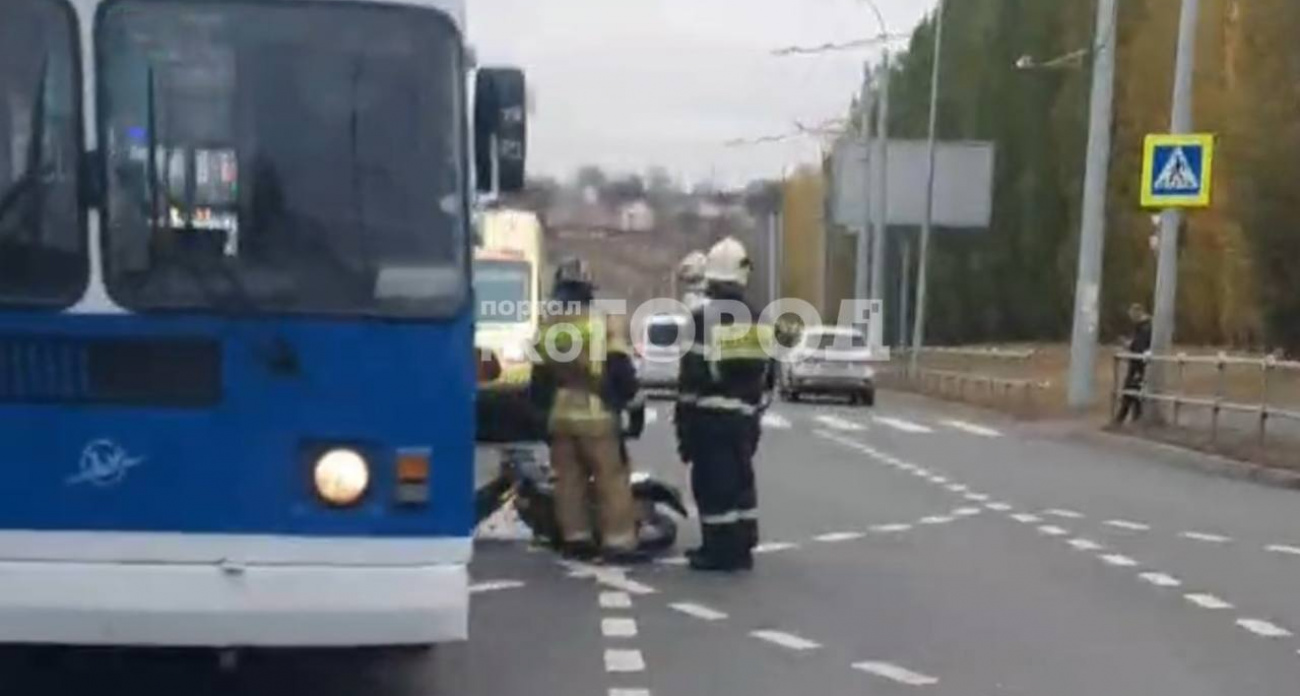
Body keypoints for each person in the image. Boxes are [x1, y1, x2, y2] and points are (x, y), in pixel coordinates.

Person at [529, 257, 644, 563]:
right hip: (597, 414)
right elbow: (620, 370)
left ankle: (576, 539)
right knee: (611, 479)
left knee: (568, 480)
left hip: (560, 415)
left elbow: (539, 380)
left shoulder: (548, 325)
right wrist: (631, 402)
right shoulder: (603, 322)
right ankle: (617, 541)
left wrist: (540, 417)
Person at [675, 237, 775, 572]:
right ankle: (743, 546)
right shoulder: (759, 319)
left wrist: (684, 430)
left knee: (712, 484)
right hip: (745, 417)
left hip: (709, 416)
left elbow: (691, 377)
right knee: (741, 481)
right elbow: (769, 373)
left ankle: (717, 551)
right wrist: (754, 413)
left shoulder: (702, 318)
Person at [1114, 303, 1153, 425]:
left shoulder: (1144, 328)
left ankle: (1121, 418)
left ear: (1137, 313)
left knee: (1130, 389)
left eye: (1132, 315)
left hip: (1138, 364)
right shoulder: (1143, 327)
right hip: (1138, 363)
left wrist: (1128, 345)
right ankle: (1135, 418)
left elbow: (1139, 346)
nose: (1131, 318)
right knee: (1135, 392)